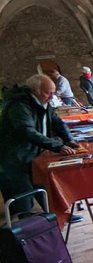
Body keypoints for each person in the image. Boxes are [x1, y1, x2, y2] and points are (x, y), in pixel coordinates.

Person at [0, 74, 82, 220]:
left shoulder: (42, 102)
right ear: (35, 90)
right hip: (15, 156)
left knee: (44, 185)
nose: (51, 97)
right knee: (22, 194)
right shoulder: (19, 105)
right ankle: (28, 228)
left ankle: (56, 215)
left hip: (34, 153)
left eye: (52, 92)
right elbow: (26, 130)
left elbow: (57, 122)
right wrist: (58, 146)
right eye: (48, 93)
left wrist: (69, 139)